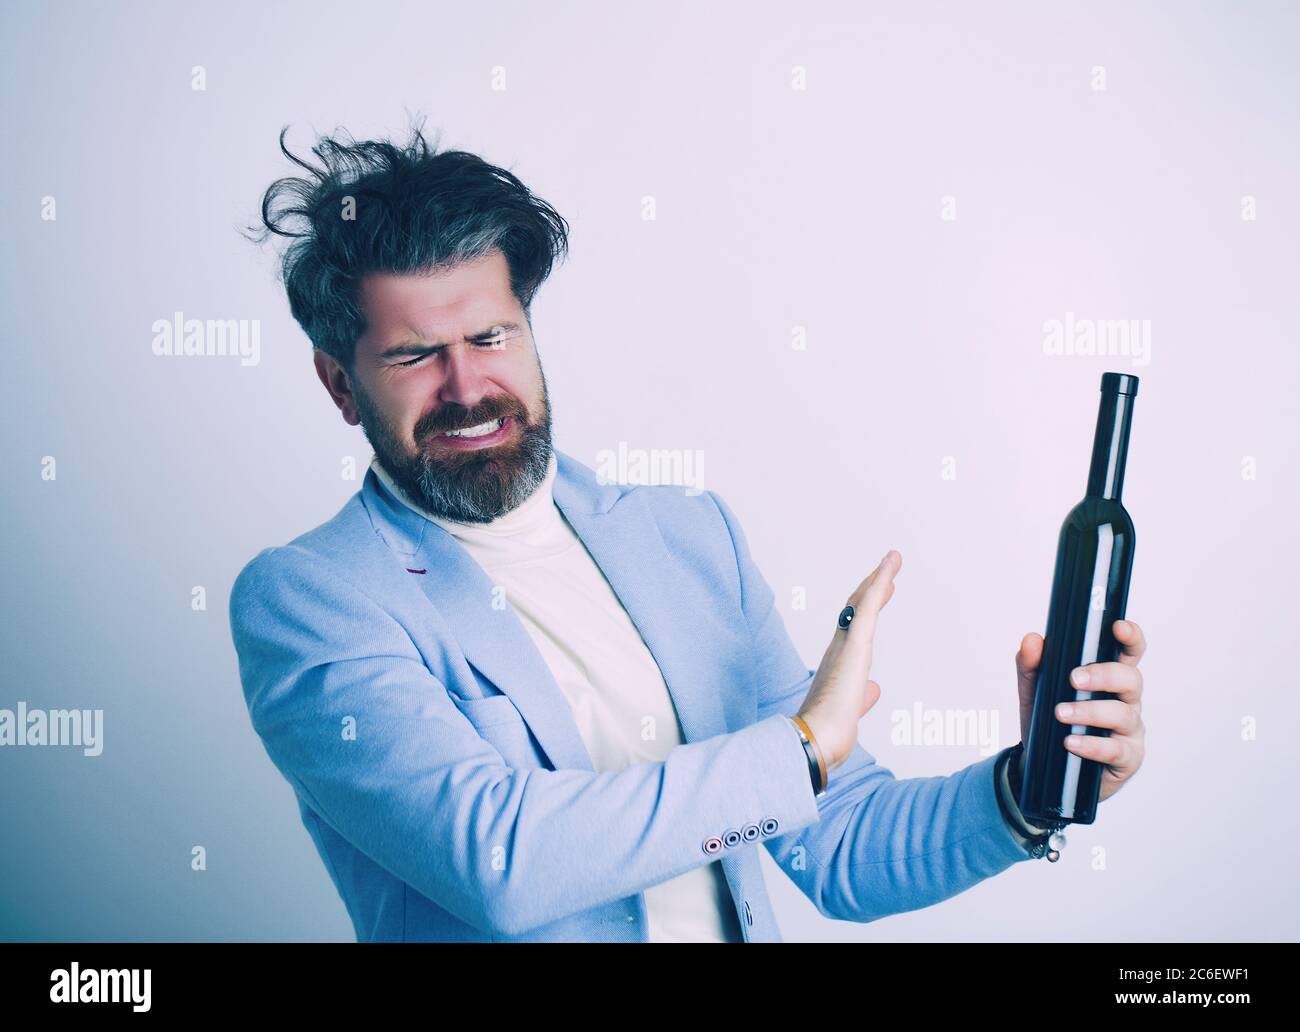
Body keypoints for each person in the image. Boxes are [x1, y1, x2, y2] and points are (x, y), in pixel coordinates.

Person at [229, 120, 1148, 942]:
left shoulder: (685, 537)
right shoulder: (313, 599)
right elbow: (501, 861)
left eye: (492, 336)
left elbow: (841, 847)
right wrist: (796, 751)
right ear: (340, 384)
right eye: (415, 355)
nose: (467, 387)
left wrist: (1030, 792)